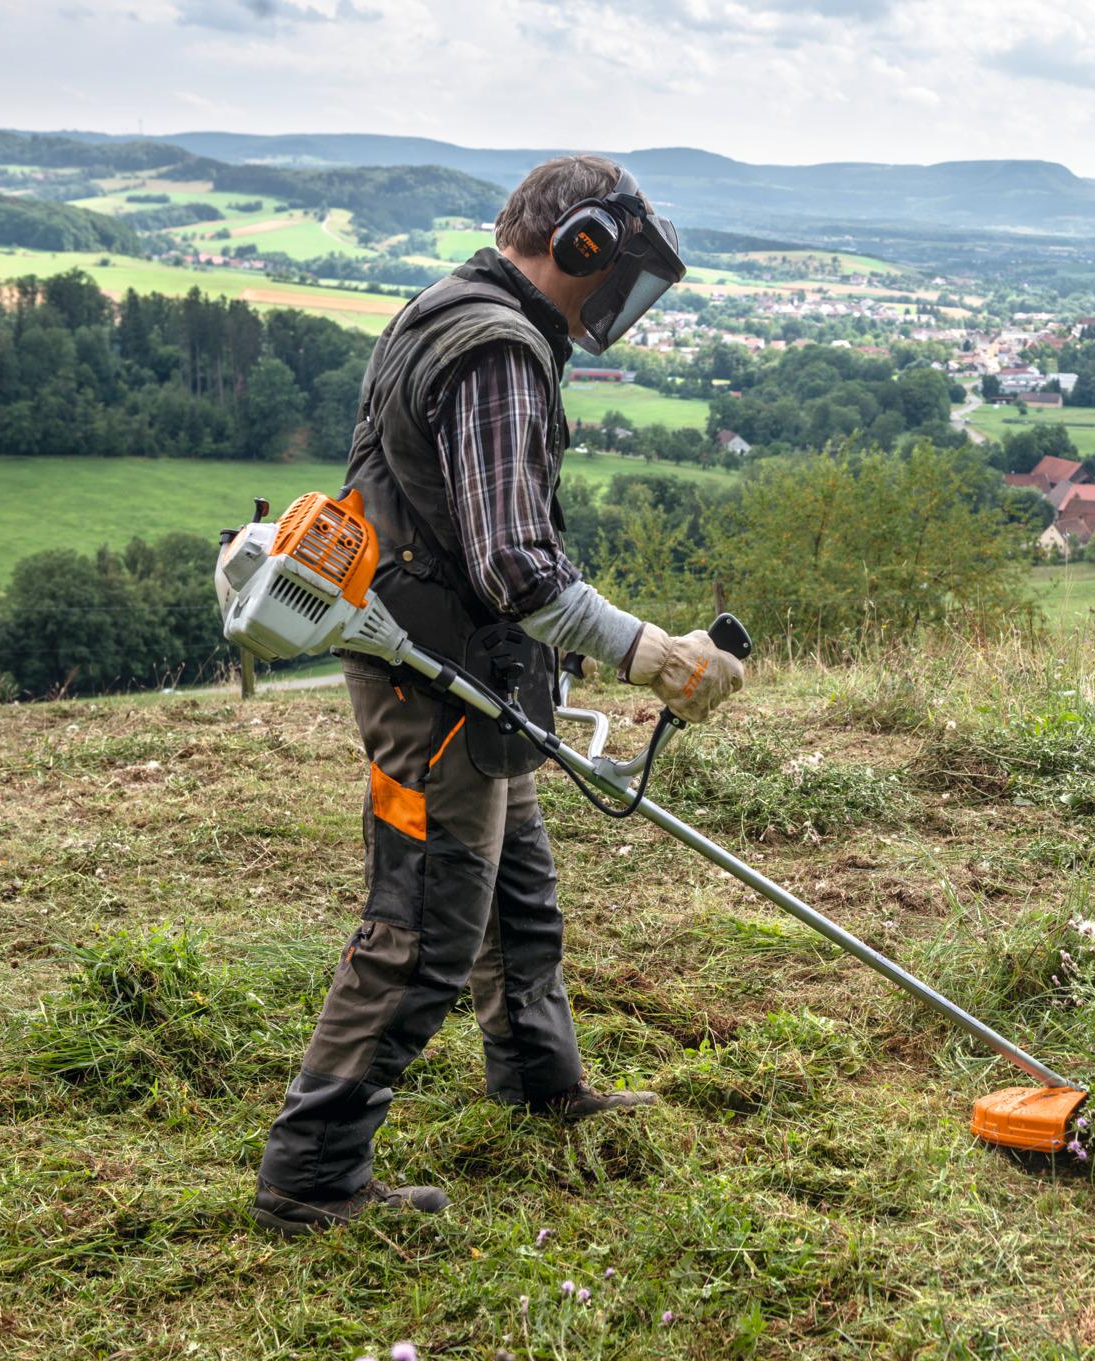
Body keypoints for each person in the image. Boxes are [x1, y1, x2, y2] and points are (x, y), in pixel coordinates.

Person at [252, 156, 743, 1235]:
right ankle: (311, 1174)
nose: (620, 300)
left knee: (516, 894)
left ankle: (536, 1076)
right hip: (431, 678)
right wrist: (652, 653)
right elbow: (516, 567)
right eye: (617, 270)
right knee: (423, 924)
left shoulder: (454, 305)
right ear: (583, 246)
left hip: (466, 668)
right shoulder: (498, 350)